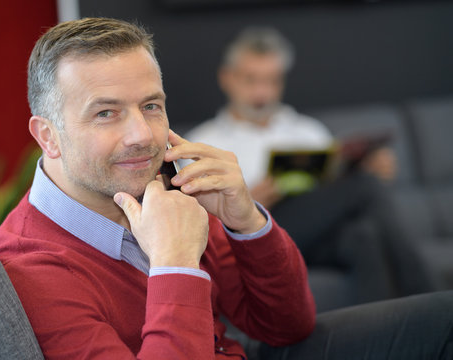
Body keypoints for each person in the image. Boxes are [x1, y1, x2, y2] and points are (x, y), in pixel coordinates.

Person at [0, 17, 453, 360]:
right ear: (47, 136)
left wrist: (246, 219)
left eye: (151, 105)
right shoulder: (33, 268)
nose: (141, 135)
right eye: (105, 113)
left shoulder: (170, 191)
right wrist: (174, 263)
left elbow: (287, 325)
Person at [185, 27, 436, 308]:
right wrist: (250, 199)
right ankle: (431, 298)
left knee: (364, 236)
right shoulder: (204, 141)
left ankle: (380, 338)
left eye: (271, 81)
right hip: (263, 229)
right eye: (251, 80)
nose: (261, 92)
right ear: (227, 78)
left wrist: (365, 168)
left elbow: (338, 189)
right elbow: (197, 223)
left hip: (319, 233)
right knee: (365, 187)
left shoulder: (307, 130)